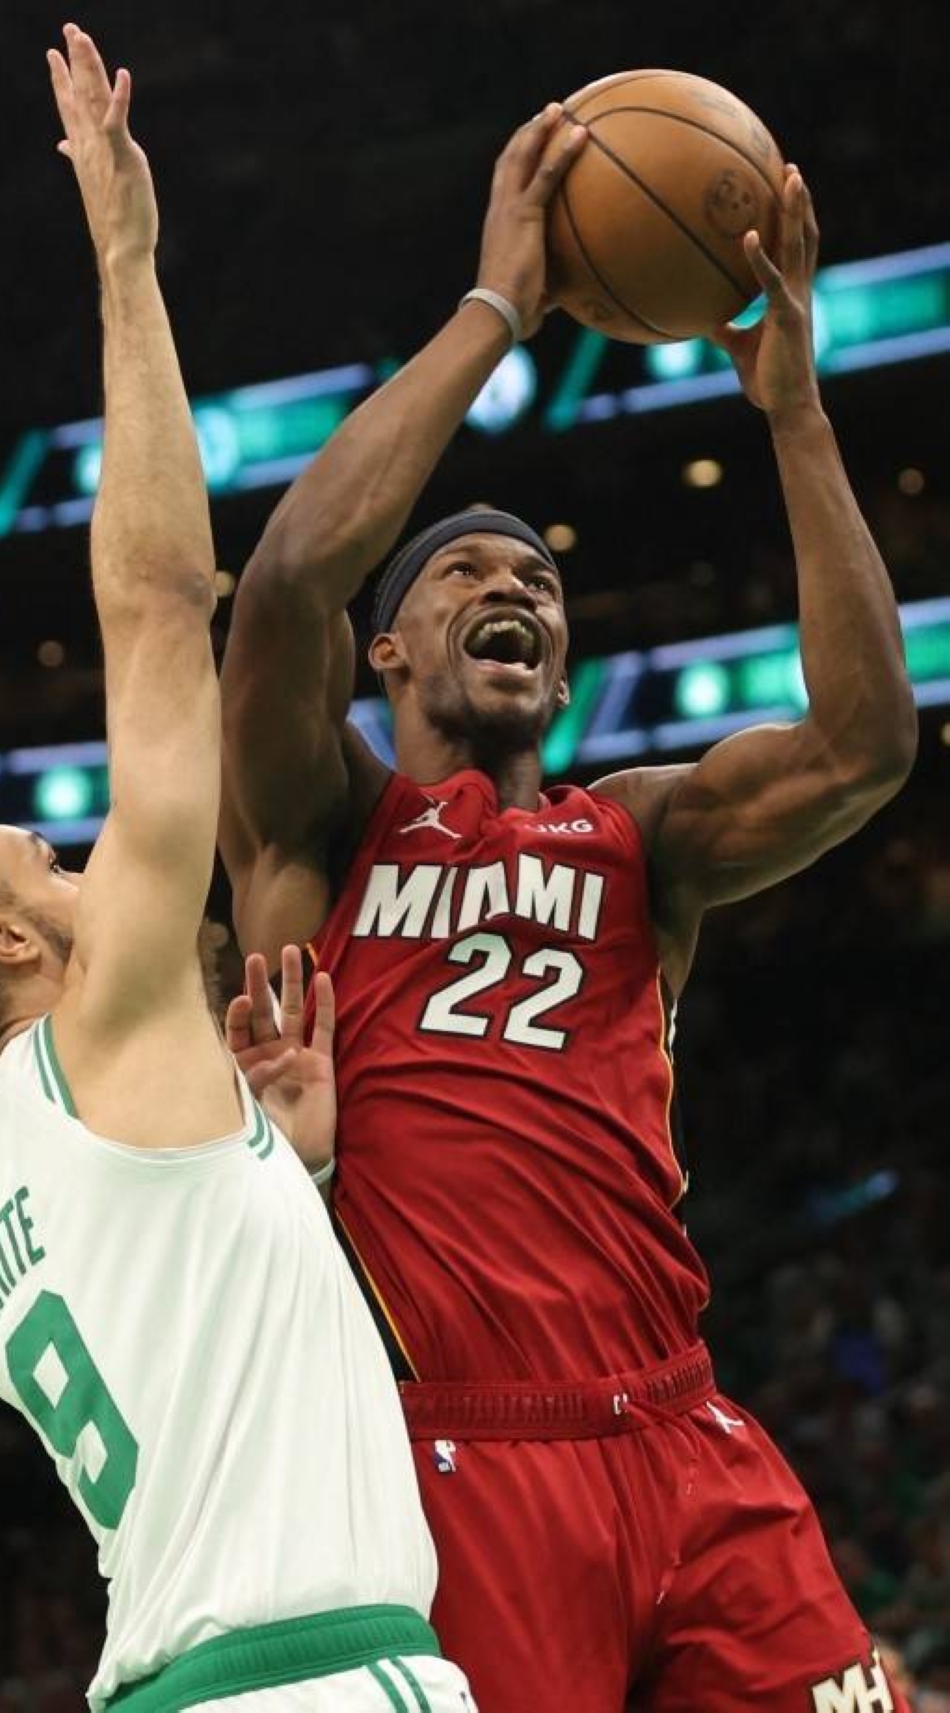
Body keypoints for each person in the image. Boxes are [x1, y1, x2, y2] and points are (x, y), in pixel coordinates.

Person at [0, 26, 477, 1713]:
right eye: (56, 860)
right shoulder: (98, 1032)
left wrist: (271, 1173)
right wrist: (125, 256)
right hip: (309, 1682)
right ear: (18, 941)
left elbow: (186, 1328)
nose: (101, 858)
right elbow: (167, 603)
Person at [219, 101, 919, 1713]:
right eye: (466, 574)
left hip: (689, 1430)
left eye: (539, 579)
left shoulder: (646, 835)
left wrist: (796, 411)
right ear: (387, 656)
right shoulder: (322, 827)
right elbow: (283, 587)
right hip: (462, 1442)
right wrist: (498, 310)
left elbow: (869, 744)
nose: (515, 587)